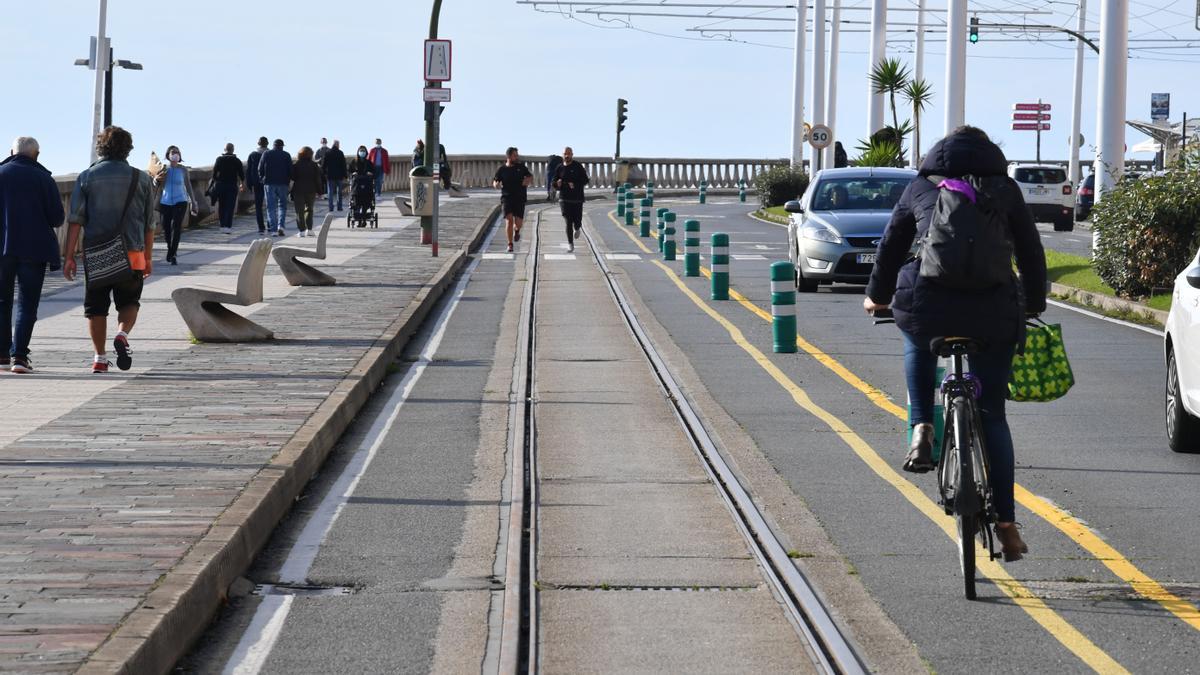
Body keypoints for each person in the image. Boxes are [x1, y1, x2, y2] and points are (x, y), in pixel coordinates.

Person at [863, 125, 1046, 562]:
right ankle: (1006, 525)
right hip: (993, 310)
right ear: (990, 153)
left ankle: (922, 425)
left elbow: (890, 247)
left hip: (929, 304)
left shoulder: (920, 186)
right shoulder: (1006, 190)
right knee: (993, 417)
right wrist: (1033, 302)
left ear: (938, 155)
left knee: (915, 338)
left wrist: (878, 296)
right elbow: (1031, 251)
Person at [63, 126, 156, 374]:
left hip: (97, 254)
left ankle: (100, 358)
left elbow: (75, 221)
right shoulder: (142, 179)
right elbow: (150, 225)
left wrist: (69, 256)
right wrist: (148, 257)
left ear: (100, 148)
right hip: (133, 253)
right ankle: (122, 334)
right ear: (128, 149)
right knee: (129, 302)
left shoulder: (86, 177)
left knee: (96, 308)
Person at [0, 137, 64, 374]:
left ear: (11, 152)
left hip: (2, 249)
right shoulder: (43, 179)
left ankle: (2, 356)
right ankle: (19, 357)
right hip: (34, 250)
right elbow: (57, 218)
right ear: (37, 154)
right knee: (28, 304)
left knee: (2, 302)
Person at [156, 145, 197, 265]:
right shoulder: (164, 169)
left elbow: (188, 186)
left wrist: (193, 201)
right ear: (168, 155)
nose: (175, 154)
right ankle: (170, 248)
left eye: (177, 152)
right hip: (165, 201)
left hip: (181, 201)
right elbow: (156, 183)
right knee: (166, 228)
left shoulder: (183, 170)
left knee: (177, 226)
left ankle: (173, 253)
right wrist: (155, 179)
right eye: (173, 152)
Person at [492, 147, 532, 253]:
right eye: (515, 155)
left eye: (517, 155)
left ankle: (517, 230)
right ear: (509, 156)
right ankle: (510, 244)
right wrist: (496, 185)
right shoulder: (502, 169)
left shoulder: (521, 167)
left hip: (520, 198)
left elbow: (529, 176)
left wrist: (527, 181)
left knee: (518, 223)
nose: (517, 157)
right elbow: (495, 181)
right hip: (507, 198)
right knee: (509, 220)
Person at [553, 147, 589, 252]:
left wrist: (575, 184)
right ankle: (570, 243)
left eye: (569, 154)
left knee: (577, 221)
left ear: (572, 154)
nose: (567, 156)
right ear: (562, 155)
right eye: (565, 154)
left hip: (577, 199)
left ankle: (577, 227)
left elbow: (585, 180)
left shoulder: (577, 166)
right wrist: (557, 184)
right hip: (564, 199)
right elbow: (553, 182)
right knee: (568, 221)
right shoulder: (559, 168)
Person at [258, 139, 292, 236]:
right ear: (282, 146)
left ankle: (273, 230)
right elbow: (290, 170)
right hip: (283, 183)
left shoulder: (266, 153)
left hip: (269, 183)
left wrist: (262, 179)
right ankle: (280, 226)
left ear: (273, 145)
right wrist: (288, 181)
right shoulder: (286, 155)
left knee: (271, 207)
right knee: (282, 206)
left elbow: (260, 168)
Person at [211, 143, 245, 232]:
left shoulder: (219, 159)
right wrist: (241, 184)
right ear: (233, 150)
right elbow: (241, 175)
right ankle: (228, 226)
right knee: (230, 206)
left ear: (224, 149)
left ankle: (222, 225)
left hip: (221, 185)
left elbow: (214, 174)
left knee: (222, 205)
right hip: (232, 186)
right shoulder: (237, 161)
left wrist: (216, 182)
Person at [290, 146, 322, 238]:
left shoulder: (296, 165)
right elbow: (317, 179)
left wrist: (290, 191)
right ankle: (310, 229)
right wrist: (320, 192)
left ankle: (301, 230)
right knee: (309, 209)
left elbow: (293, 178)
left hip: (298, 190)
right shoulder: (314, 165)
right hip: (311, 190)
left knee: (299, 211)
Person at [245, 137, 269, 233]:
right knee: (270, 205)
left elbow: (249, 171)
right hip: (268, 182)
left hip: (257, 182)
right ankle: (270, 225)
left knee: (258, 206)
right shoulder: (270, 154)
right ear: (267, 144)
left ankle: (261, 227)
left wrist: (249, 184)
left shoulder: (252, 155)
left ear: (258, 144)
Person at [324, 140, 348, 211]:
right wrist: (345, 175)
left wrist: (324, 173)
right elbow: (343, 165)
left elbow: (324, 164)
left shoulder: (328, 153)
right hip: (339, 176)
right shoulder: (340, 153)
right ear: (337, 145)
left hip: (330, 175)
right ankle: (339, 207)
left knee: (330, 192)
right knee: (339, 192)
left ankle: (330, 207)